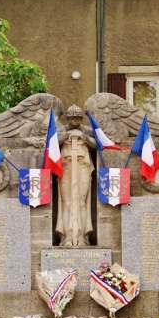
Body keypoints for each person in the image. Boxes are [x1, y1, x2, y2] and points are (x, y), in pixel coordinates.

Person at [55, 105, 96, 247]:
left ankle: (82, 238)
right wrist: (67, 135)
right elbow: (51, 142)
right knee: (66, 203)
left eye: (77, 118)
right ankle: (66, 238)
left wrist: (83, 137)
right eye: (71, 118)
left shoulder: (87, 130)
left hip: (82, 166)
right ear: (67, 119)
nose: (74, 121)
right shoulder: (61, 130)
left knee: (81, 203)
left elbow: (98, 143)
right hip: (66, 167)